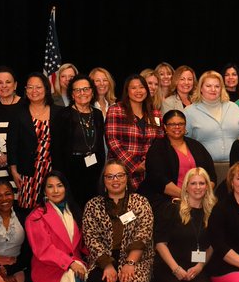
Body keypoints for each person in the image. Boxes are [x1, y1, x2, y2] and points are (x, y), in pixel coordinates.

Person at [82, 161, 154, 282]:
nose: (115, 180)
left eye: (120, 175)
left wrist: (129, 263)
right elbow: (91, 237)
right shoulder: (93, 205)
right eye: (110, 176)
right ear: (104, 181)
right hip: (103, 258)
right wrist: (107, 265)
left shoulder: (140, 202)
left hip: (136, 258)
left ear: (126, 178)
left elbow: (143, 235)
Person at [153, 167, 223, 282]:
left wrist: (200, 266)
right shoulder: (172, 209)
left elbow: (212, 245)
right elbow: (160, 243)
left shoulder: (212, 212)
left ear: (207, 186)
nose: (198, 187)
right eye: (193, 183)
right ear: (186, 187)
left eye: (201, 183)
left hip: (196, 267)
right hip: (168, 266)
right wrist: (176, 269)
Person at [26, 171, 90, 282]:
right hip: (49, 268)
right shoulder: (36, 216)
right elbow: (44, 250)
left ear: (66, 188)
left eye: (59, 186)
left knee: (75, 276)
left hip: (74, 265)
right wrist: (70, 264)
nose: (55, 191)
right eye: (50, 187)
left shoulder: (74, 212)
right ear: (44, 191)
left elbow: (83, 245)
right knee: (73, 277)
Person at [9, 73, 67, 210]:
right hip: (29, 171)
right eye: (30, 87)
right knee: (30, 211)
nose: (34, 91)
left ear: (46, 89)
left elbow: (65, 144)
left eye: (38, 87)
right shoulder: (18, 113)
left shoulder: (60, 112)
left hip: (54, 169)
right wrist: (13, 170)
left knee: (54, 210)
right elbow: (12, 143)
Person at [142, 109, 217, 208]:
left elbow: (211, 175)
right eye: (172, 124)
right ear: (165, 127)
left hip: (200, 199)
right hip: (168, 201)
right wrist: (186, 196)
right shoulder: (158, 147)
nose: (177, 127)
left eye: (181, 124)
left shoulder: (196, 145)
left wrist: (201, 195)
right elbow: (158, 180)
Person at [105, 75, 164, 190]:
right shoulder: (116, 110)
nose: (138, 91)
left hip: (150, 172)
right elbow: (112, 141)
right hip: (122, 173)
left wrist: (150, 163)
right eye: (133, 88)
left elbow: (160, 140)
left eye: (141, 87)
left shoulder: (155, 113)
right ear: (127, 91)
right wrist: (134, 166)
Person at [60, 76, 106, 207]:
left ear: (92, 92)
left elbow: (99, 143)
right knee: (76, 206)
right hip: (72, 168)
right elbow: (58, 147)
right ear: (72, 94)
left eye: (86, 89)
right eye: (78, 90)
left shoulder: (97, 114)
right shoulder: (64, 115)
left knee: (94, 205)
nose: (82, 93)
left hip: (95, 167)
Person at [184, 70, 239, 162]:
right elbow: (185, 142)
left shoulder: (233, 107)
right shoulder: (189, 112)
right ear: (200, 88)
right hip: (204, 167)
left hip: (236, 165)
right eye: (208, 86)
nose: (213, 89)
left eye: (217, 86)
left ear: (221, 88)